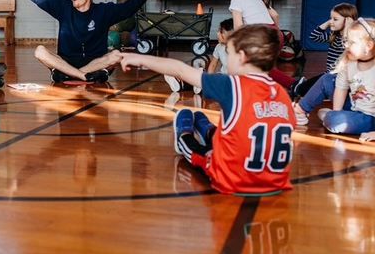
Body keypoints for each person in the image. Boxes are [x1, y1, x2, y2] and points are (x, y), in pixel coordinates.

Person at [120, 24, 295, 195]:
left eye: (229, 54)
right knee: (240, 128)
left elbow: (181, 70)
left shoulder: (231, 85)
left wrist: (141, 59)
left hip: (233, 180)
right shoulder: (282, 94)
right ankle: (209, 131)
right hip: (275, 181)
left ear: (241, 57)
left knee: (196, 152)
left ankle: (184, 135)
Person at [0, 0, 159, 83]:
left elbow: (128, 8)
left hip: (94, 61)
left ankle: (69, 75)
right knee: (39, 51)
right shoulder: (63, 7)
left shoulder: (103, 11)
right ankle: (83, 76)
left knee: (116, 54)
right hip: (67, 61)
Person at [224, 0, 303, 95]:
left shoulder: (236, 0)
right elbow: (275, 15)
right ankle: (287, 85)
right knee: (262, 67)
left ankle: (290, 84)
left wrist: (232, 44)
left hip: (263, 36)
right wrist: (273, 31)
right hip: (275, 33)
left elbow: (238, 27)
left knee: (249, 64)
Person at [321, 17, 375, 142]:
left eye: (351, 43)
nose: (346, 45)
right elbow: (341, 88)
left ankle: (331, 117)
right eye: (346, 41)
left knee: (335, 121)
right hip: (354, 108)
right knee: (327, 80)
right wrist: (337, 112)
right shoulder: (350, 62)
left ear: (368, 46)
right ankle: (333, 115)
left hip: (371, 118)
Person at [292, 3, 358, 125]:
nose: (331, 22)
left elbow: (347, 46)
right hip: (329, 75)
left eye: (335, 19)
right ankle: (302, 87)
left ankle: (302, 109)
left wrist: (349, 28)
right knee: (300, 89)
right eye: (330, 18)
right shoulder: (334, 36)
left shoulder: (351, 40)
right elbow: (313, 36)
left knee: (315, 85)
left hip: (338, 79)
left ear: (348, 20)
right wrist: (331, 22)